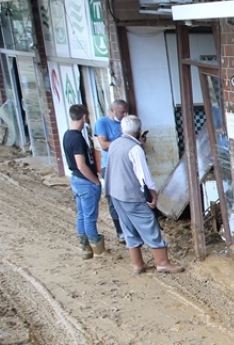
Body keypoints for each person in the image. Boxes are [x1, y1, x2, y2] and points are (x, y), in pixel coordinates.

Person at [104, 115, 184, 274]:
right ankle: (162, 263)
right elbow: (143, 176)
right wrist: (152, 194)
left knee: (128, 227)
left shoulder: (114, 144)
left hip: (115, 193)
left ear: (121, 129)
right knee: (149, 224)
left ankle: (138, 265)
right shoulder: (135, 149)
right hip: (131, 195)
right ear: (139, 130)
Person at [61, 104, 106, 260]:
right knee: (90, 217)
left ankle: (85, 248)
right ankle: (99, 250)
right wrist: (96, 182)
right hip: (85, 180)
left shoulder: (67, 135)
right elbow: (81, 164)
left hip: (76, 179)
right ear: (85, 117)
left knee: (81, 215)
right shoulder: (78, 138)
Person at [93, 99, 129, 241]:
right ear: (113, 110)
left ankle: (129, 229)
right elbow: (104, 145)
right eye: (122, 112)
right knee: (113, 199)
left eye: (126, 111)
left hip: (125, 164)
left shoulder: (125, 122)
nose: (125, 114)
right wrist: (125, 142)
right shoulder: (101, 123)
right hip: (109, 165)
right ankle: (120, 231)